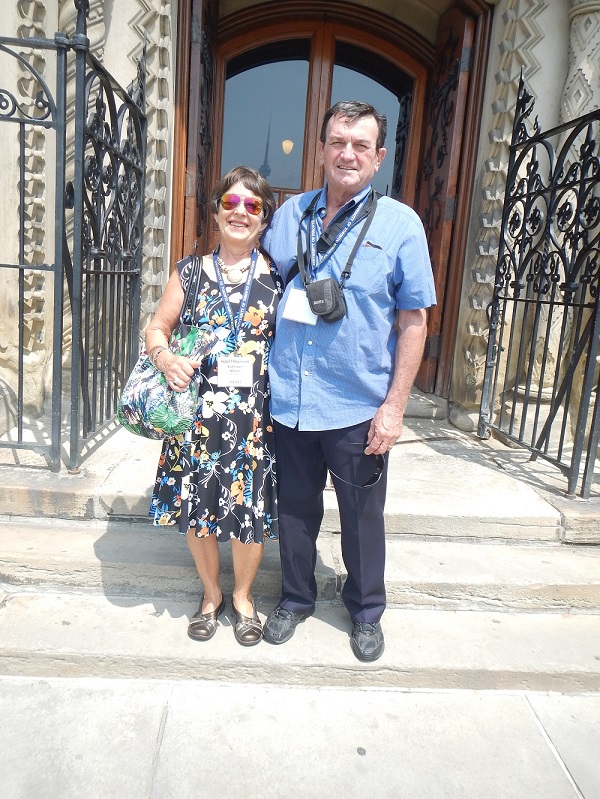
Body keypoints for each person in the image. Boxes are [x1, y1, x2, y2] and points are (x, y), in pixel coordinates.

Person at [261, 100, 436, 661]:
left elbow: (414, 320)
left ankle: (365, 608)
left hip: (359, 406)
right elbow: (257, 290)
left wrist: (394, 407)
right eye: (338, 142)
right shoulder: (291, 216)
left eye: (361, 145)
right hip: (290, 398)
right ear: (320, 150)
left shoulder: (400, 223)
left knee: (362, 519)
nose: (348, 154)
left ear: (379, 156)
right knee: (294, 508)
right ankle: (295, 597)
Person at [146, 166, 282, 647]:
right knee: (198, 511)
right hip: (196, 418)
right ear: (216, 211)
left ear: (264, 219)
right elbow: (156, 328)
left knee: (248, 513)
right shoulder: (189, 271)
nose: (240, 213)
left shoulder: (279, 276)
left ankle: (243, 598)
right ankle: (211, 596)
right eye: (231, 203)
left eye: (252, 206)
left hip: (253, 423)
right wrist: (165, 358)